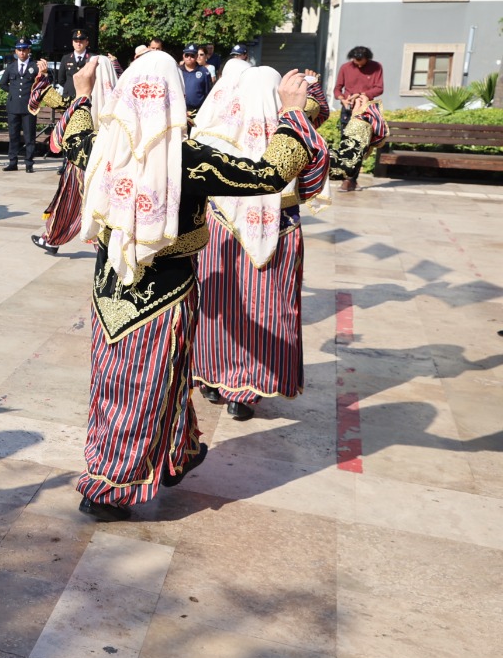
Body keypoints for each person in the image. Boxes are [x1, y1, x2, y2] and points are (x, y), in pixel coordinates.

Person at [59, 53, 322, 521]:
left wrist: (82, 91)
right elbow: (267, 175)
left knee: (129, 383)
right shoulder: (190, 160)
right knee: (145, 385)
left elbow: (72, 136)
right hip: (165, 297)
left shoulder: (103, 146)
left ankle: (176, 452)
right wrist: (292, 113)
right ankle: (109, 486)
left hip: (108, 293)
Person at [190, 62, 332, 422]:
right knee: (265, 307)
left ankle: (209, 377)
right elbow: (315, 181)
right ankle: (246, 390)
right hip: (280, 228)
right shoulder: (295, 135)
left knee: (215, 305)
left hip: (220, 229)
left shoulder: (214, 134)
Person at [32, 54, 118, 255]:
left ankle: (57, 240)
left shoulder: (87, 103)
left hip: (84, 165)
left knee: (73, 203)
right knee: (78, 205)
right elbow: (59, 102)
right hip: (91, 165)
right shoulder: (110, 104)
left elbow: (74, 139)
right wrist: (43, 76)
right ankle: (53, 239)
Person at [331, 46, 384, 190]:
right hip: (347, 109)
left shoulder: (376, 67)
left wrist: (361, 94)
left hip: (365, 109)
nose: (359, 65)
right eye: (356, 62)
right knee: (346, 143)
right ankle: (348, 178)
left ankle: (351, 179)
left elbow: (379, 88)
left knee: (360, 145)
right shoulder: (345, 67)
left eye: (362, 62)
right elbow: (337, 88)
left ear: (368, 58)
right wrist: (342, 99)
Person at [0, 39, 39, 172]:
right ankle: (13, 162)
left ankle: (29, 163)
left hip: (28, 106)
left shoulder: (35, 66)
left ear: (29, 50)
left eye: (24, 49)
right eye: (19, 50)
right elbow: (2, 84)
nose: (22, 52)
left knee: (29, 136)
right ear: (16, 51)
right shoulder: (11, 67)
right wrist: (13, 92)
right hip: (13, 106)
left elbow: (42, 84)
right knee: (13, 135)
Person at [46, 28, 93, 102]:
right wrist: (69, 87)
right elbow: (61, 79)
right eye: (76, 41)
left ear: (86, 42)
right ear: (72, 43)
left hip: (86, 96)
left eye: (81, 41)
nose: (78, 44)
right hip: (69, 96)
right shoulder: (66, 58)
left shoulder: (92, 58)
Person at [179, 45, 213, 113]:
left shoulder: (204, 71)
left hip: (198, 111)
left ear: (196, 56)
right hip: (180, 110)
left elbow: (208, 92)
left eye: (192, 55)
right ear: (183, 56)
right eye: (187, 55)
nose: (189, 57)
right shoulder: (178, 70)